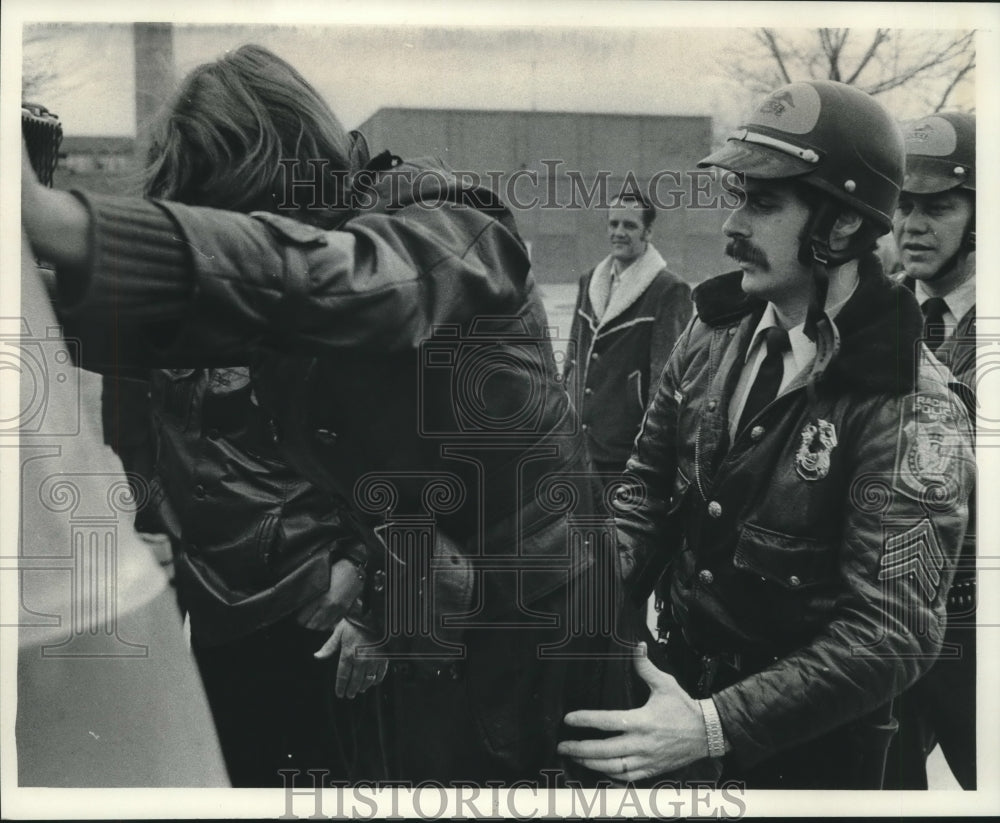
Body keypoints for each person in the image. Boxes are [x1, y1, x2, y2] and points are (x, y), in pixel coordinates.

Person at [20, 44, 635, 785]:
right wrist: (24, 282)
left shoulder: (448, 222)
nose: (240, 243)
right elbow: (161, 326)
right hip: (433, 607)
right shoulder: (302, 273)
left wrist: (57, 217)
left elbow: (347, 286)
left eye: (240, 218)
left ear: (279, 172)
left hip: (543, 628)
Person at [556, 80, 974, 789]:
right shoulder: (709, 331)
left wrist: (715, 727)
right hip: (670, 704)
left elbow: (892, 633)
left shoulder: (913, 403)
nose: (731, 228)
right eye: (737, 198)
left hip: (810, 758)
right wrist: (572, 604)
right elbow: (644, 494)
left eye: (763, 202)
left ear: (841, 225)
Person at [883, 111, 976, 790]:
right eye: (903, 205)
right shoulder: (875, 318)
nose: (912, 224)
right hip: (883, 620)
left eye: (938, 206)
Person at [564, 193, 691, 475]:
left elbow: (666, 379)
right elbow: (573, 358)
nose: (618, 233)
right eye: (613, 224)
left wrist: (649, 447)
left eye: (629, 226)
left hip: (627, 451)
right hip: (580, 445)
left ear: (648, 231)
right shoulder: (589, 281)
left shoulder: (668, 290)